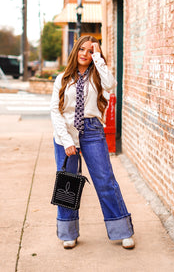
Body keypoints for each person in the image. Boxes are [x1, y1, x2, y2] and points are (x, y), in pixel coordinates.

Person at [50, 35, 134, 249]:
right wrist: (67, 141)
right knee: (68, 180)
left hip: (92, 131)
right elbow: (55, 111)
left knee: (105, 180)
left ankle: (122, 230)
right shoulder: (62, 79)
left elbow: (111, 84)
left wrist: (99, 56)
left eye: (90, 50)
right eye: (82, 49)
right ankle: (68, 232)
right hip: (66, 133)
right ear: (75, 50)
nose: (85, 54)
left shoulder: (98, 77)